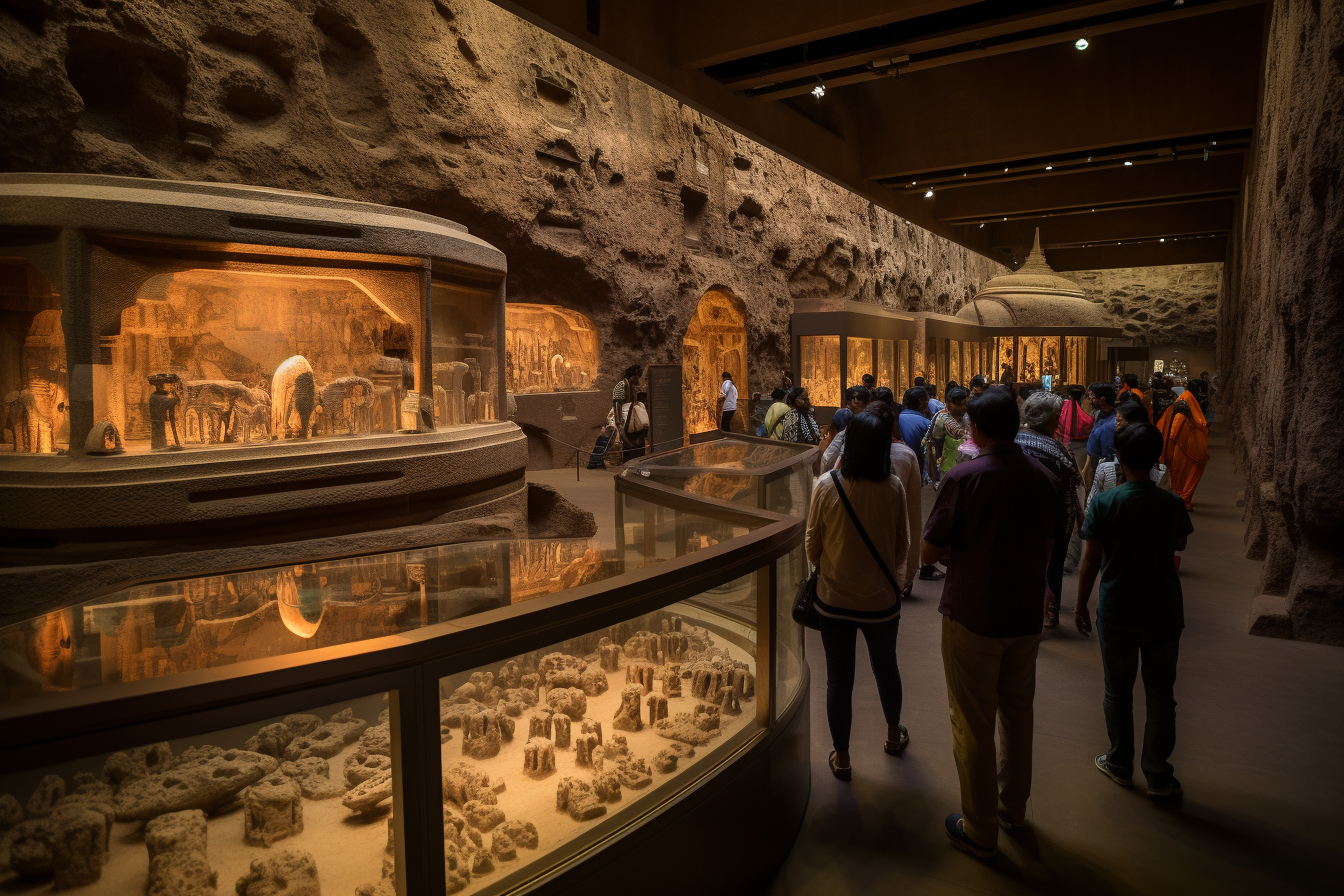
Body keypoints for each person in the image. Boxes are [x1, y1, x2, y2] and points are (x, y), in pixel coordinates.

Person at [921, 388, 1066, 859]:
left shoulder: (965, 477)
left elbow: (930, 550)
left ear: (977, 430)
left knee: (972, 720)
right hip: (1024, 616)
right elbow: (1049, 546)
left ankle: (980, 827)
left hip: (974, 614)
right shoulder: (1045, 478)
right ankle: (1012, 809)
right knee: (1017, 714)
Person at [1075, 423, 1192, 799]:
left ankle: (1120, 762)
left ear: (1119, 459)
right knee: (1161, 693)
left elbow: (1090, 561)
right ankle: (1158, 773)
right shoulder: (1171, 502)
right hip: (1163, 607)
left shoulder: (1106, 503)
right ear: (1158, 458)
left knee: (1118, 689)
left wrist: (1080, 605)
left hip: (1118, 604)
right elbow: (1180, 543)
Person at [806, 411, 912, 781]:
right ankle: (892, 733)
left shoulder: (825, 485)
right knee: (886, 667)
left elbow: (811, 544)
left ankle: (844, 755)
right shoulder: (893, 487)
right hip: (880, 601)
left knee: (838, 679)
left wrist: (833, 566)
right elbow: (902, 544)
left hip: (833, 598)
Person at [1016, 392, 1083, 629]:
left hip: (1016, 517)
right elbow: (1071, 486)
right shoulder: (1058, 450)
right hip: (1051, 520)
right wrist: (1068, 526)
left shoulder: (1012, 440)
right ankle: (1049, 611)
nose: (1058, 421)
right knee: (1052, 563)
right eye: (1056, 417)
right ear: (1048, 418)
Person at [854, 400, 922, 593]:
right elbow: (913, 513)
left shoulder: (847, 458)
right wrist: (906, 573)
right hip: (889, 543)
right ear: (893, 424)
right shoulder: (905, 456)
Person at [1086, 399, 1168, 505]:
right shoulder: (1161, 472)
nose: (1116, 427)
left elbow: (1090, 507)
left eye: (1119, 421)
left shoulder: (1106, 469)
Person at [1157, 393, 1210, 511]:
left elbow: (1173, 435)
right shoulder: (1194, 419)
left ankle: (1178, 499)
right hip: (1194, 453)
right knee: (1189, 477)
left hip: (1181, 453)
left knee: (1178, 477)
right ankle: (1186, 501)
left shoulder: (1179, 416)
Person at [927, 386, 970, 486]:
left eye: (966, 405)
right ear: (951, 403)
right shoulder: (942, 418)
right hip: (946, 462)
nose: (964, 408)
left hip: (964, 462)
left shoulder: (966, 417)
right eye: (960, 405)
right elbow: (934, 445)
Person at [1085, 383, 1118, 481]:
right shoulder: (1099, 413)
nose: (1090, 399)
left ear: (1102, 399)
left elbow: (1108, 454)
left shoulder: (1111, 424)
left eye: (1092, 396)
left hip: (1101, 467)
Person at [612, 364, 641, 459]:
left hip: (630, 416)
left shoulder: (629, 386)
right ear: (633, 376)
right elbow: (618, 404)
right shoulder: (621, 386)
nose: (638, 380)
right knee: (626, 441)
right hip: (624, 417)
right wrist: (618, 420)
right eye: (637, 378)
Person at [622, 391, 650, 461]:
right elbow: (645, 423)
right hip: (636, 436)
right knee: (637, 457)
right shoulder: (639, 407)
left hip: (630, 435)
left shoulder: (632, 406)